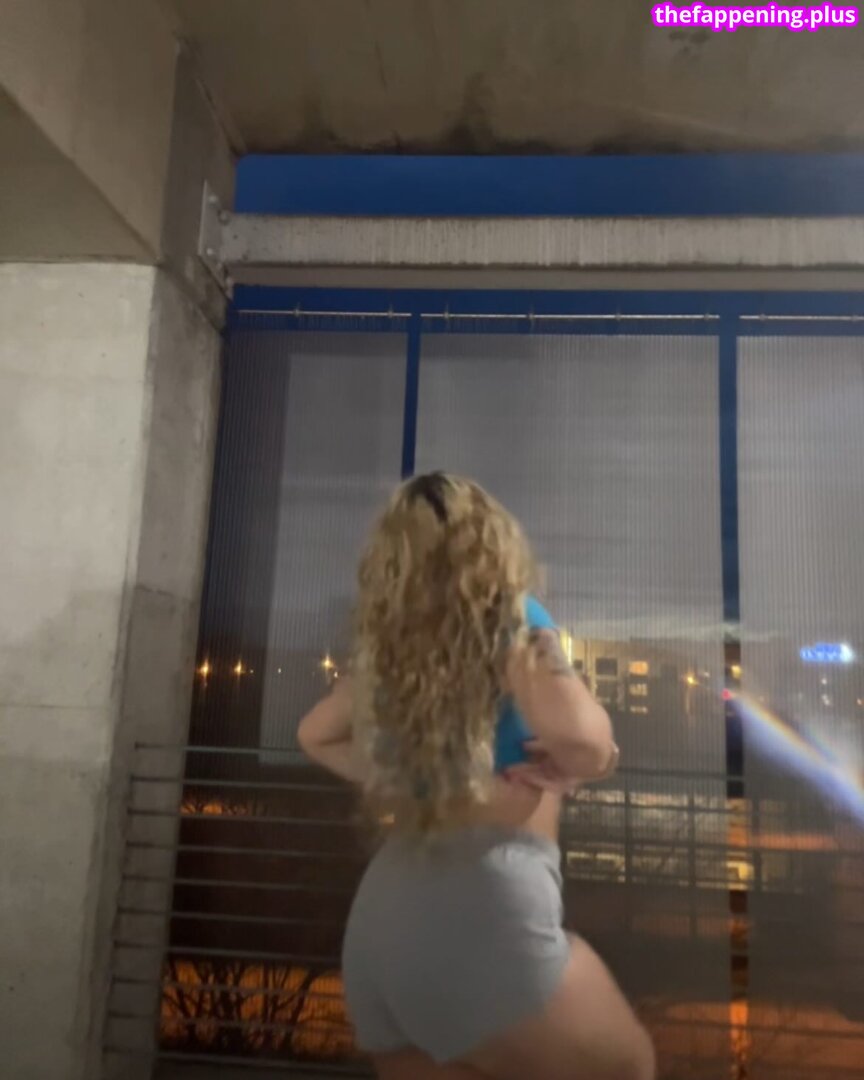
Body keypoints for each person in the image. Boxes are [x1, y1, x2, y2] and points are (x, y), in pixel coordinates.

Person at [298, 472, 655, 1080]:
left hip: (383, 925)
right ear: (492, 542)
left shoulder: (392, 647)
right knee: (627, 1067)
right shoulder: (516, 618)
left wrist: (416, 774)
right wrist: (596, 754)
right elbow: (585, 744)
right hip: (484, 910)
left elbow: (314, 735)